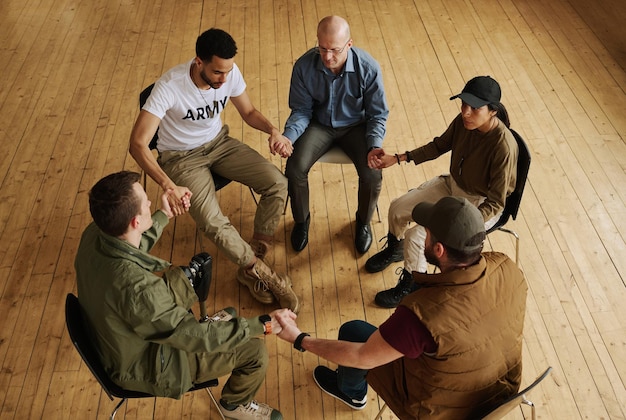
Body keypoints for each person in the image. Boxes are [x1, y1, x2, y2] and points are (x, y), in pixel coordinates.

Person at [275, 196, 528, 419]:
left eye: (426, 233)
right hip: (499, 395)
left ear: (438, 249)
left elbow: (363, 355)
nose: (423, 237)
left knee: (353, 332)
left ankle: (351, 393)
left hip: (440, 411)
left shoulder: (420, 316)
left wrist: (300, 339)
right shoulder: (507, 267)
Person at [75, 171, 294, 420]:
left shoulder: (95, 233)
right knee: (254, 352)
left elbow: (128, 247)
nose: (149, 202)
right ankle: (234, 404)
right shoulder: (138, 290)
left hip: (115, 332)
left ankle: (214, 329)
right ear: (136, 221)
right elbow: (193, 337)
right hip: (144, 363)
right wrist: (262, 324)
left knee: (183, 278)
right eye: (146, 201)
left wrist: (163, 215)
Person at [129, 28, 299, 312]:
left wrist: (273, 131)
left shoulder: (229, 73)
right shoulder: (169, 86)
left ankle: (254, 253)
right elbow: (137, 144)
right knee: (212, 220)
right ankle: (262, 273)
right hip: (181, 159)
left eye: (228, 70)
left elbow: (248, 112)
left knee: (278, 183)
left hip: (219, 144)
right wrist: (167, 185)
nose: (225, 78)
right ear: (199, 62)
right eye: (218, 72)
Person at [365, 75, 518, 308]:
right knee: (398, 208)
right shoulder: (464, 122)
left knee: (417, 236)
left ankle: (412, 284)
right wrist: (397, 159)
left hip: (478, 205)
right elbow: (439, 146)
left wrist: (463, 222)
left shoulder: (503, 147)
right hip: (452, 186)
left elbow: (496, 203)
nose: (466, 112)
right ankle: (395, 250)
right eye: (463, 104)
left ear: (493, 111)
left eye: (474, 108)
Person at [283, 15, 389, 253]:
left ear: (349, 45)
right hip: (318, 125)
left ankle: (363, 222)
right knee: (294, 168)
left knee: (373, 174)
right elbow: (300, 111)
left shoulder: (368, 68)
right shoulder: (303, 66)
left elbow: (378, 114)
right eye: (322, 49)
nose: (328, 57)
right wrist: (289, 136)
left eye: (335, 50)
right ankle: (302, 221)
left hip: (356, 128)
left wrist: (373, 145)